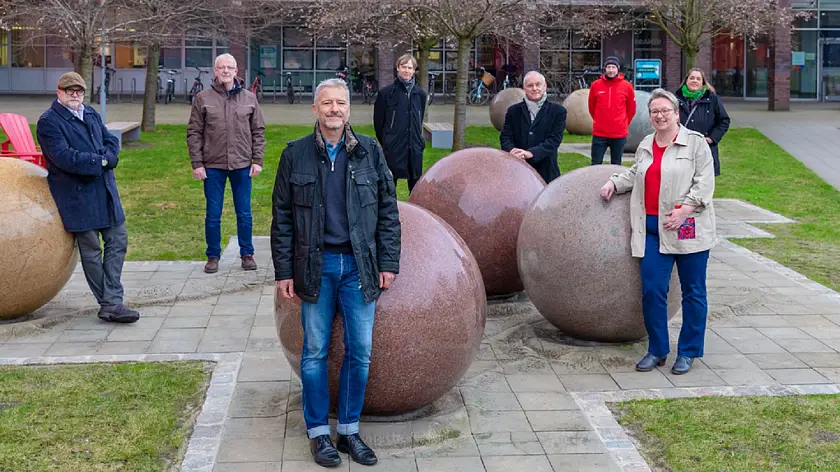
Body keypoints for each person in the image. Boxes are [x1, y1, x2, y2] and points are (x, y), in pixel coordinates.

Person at [271, 78, 401, 468]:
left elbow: (388, 212)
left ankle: (348, 431)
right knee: (314, 352)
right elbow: (281, 219)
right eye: (326, 103)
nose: (334, 109)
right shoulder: (294, 155)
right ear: (315, 109)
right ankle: (318, 434)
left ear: (349, 109)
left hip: (359, 268)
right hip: (316, 266)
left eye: (340, 103)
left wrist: (389, 262)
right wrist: (283, 271)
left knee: (359, 352)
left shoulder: (369, 152)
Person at [599, 88, 715, 376]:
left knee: (693, 292)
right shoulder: (647, 143)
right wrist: (615, 182)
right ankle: (658, 349)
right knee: (652, 291)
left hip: (687, 226)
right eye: (655, 112)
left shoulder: (696, 144)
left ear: (677, 113)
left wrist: (685, 209)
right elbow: (638, 172)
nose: (660, 116)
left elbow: (704, 183)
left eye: (666, 110)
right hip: (651, 230)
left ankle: (688, 351)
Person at [36, 72, 139, 323]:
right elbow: (64, 157)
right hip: (77, 194)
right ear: (59, 92)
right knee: (91, 249)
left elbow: (109, 142)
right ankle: (111, 303)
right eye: (70, 91)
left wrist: (108, 156)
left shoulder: (90, 113)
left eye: (79, 91)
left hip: (104, 190)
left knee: (118, 239)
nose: (75, 96)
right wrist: (101, 161)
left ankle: (111, 299)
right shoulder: (49, 122)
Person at [187, 53, 266, 274]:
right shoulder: (203, 98)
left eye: (229, 67)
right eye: (221, 67)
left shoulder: (249, 98)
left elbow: (258, 131)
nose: (225, 71)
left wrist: (257, 160)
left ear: (236, 70)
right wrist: (197, 163)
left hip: (242, 164)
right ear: (215, 71)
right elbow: (194, 133)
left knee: (244, 213)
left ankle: (247, 254)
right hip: (212, 166)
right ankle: (213, 255)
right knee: (213, 214)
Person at [373, 54, 427, 193]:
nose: (406, 71)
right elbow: (378, 123)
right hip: (393, 147)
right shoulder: (386, 93)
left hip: (414, 148)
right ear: (398, 68)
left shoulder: (420, 94)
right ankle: (388, 214)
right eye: (404, 67)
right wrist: (387, 141)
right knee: (389, 186)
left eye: (410, 68)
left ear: (414, 70)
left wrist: (419, 142)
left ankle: (415, 215)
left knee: (415, 188)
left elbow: (418, 121)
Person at [500, 70, 567, 183]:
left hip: (547, 171)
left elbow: (554, 141)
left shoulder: (558, 112)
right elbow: (505, 137)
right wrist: (512, 152)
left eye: (538, 84)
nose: (534, 88)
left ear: (545, 86)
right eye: (530, 85)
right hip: (518, 169)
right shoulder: (513, 111)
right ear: (524, 88)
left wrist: (530, 153)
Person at [676, 68, 730, 176]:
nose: (694, 81)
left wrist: (712, 138)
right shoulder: (676, 99)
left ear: (703, 83)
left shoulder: (712, 99)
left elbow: (724, 121)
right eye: (691, 78)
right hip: (681, 147)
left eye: (698, 79)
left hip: (704, 148)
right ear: (686, 81)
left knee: (703, 182)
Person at [588, 56, 636, 166]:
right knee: (595, 164)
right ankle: (594, 183)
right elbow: (591, 107)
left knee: (616, 164)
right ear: (605, 69)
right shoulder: (596, 85)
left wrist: (623, 123)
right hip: (600, 132)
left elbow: (631, 109)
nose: (611, 70)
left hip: (619, 133)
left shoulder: (627, 86)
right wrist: (599, 121)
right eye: (608, 67)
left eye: (613, 67)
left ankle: (615, 184)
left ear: (618, 68)